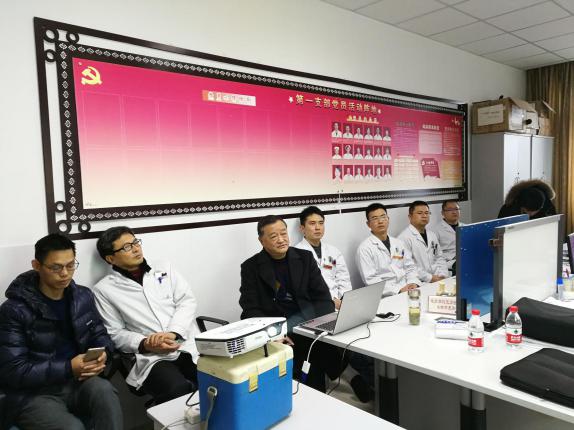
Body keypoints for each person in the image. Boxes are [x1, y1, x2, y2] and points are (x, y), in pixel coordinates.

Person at [0, 234, 122, 430]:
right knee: (72, 427)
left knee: (105, 392)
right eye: (56, 267)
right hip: (34, 393)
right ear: (37, 265)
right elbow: (13, 371)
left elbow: (100, 335)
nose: (65, 273)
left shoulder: (82, 296)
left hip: (78, 381)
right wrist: (67, 368)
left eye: (71, 265)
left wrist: (103, 355)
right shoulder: (14, 310)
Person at [92, 226, 201, 405]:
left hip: (186, 343)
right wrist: (146, 343)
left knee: (218, 378)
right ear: (110, 258)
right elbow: (115, 333)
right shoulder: (104, 289)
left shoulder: (164, 267)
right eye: (127, 247)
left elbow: (186, 301)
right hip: (153, 356)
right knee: (176, 390)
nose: (136, 249)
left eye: (135, 242)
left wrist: (173, 333)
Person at [239, 215, 343, 392]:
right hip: (278, 332)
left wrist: (314, 325)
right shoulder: (251, 267)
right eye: (274, 236)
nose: (281, 239)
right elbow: (250, 309)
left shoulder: (305, 258)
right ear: (261, 241)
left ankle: (340, 379)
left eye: (283, 233)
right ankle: (346, 376)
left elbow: (323, 298)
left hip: (307, 326)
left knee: (326, 348)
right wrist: (274, 334)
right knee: (314, 356)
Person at [356, 203, 420, 296]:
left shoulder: (398, 243)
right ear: (368, 224)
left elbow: (410, 267)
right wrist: (399, 290)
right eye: (375, 218)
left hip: (408, 288)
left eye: (383, 217)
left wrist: (413, 282)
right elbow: (371, 280)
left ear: (388, 219)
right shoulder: (364, 249)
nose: (380, 221)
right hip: (386, 295)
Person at [295, 206, 351, 309]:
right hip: (316, 307)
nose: (317, 227)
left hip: (341, 303)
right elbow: (303, 289)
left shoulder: (333, 251)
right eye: (312, 223)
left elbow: (344, 279)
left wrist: (344, 300)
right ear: (302, 228)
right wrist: (330, 302)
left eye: (321, 223)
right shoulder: (296, 254)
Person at [399, 201, 449, 283]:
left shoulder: (432, 234)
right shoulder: (403, 238)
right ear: (410, 216)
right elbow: (408, 266)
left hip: (439, 277)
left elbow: (439, 257)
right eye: (420, 213)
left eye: (427, 213)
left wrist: (443, 274)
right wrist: (430, 278)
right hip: (420, 281)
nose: (424, 216)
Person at [435, 200, 465, 274]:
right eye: (450, 210)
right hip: (448, 262)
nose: (454, 212)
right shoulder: (436, 231)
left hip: (465, 256)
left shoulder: (465, 227)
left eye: (456, 209)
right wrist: (453, 257)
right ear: (443, 213)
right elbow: (434, 254)